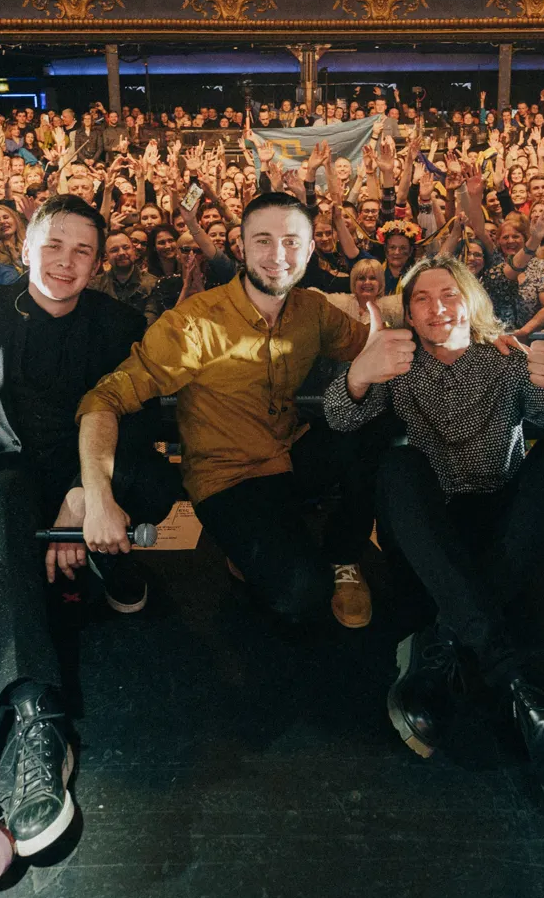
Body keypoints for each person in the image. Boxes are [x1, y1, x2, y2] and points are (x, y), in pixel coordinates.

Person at [0, 197, 179, 887]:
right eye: (53, 245)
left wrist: (85, 493)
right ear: (25, 245)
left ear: (99, 262)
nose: (65, 262)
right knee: (6, 507)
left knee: (15, 581)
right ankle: (40, 720)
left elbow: (140, 422)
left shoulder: (118, 322)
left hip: (89, 479)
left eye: (83, 251)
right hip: (6, 476)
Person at [326, 256, 544, 809]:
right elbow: (340, 419)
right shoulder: (397, 362)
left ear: (471, 299)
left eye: (448, 295)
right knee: (396, 467)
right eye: (422, 299)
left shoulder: (506, 359)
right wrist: (361, 371)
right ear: (406, 311)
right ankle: (520, 682)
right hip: (427, 527)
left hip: (501, 527)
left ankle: (449, 638)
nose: (437, 309)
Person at [75, 192, 373, 627]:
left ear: (310, 249)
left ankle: (342, 555)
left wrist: (475, 336)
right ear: (243, 246)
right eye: (263, 241)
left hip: (292, 449)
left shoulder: (312, 308)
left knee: (374, 429)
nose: (277, 255)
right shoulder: (195, 322)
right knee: (300, 597)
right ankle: (250, 553)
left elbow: (370, 345)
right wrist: (98, 499)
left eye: (292, 242)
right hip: (228, 476)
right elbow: (104, 399)